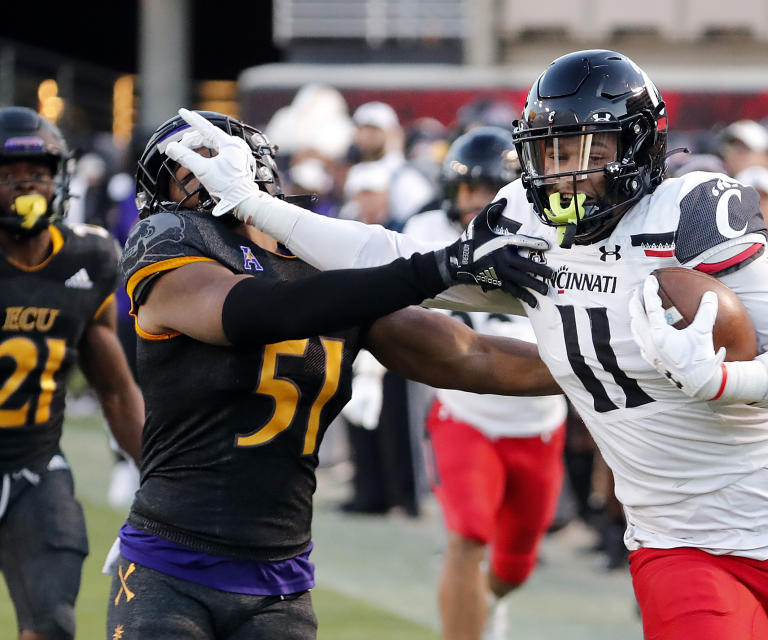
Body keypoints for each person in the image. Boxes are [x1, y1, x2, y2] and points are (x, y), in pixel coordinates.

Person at [182, 49, 768, 639]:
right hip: (675, 537)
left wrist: (721, 380)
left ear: (636, 148)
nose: (563, 171)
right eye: (551, 150)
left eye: (586, 150)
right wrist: (255, 204)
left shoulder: (688, 214)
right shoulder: (522, 224)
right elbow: (388, 255)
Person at [106, 110, 559, 640]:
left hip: (280, 580)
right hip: (171, 564)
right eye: (188, 167)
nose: (206, 176)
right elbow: (250, 311)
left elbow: (467, 354)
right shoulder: (169, 242)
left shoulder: (320, 262)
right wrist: (433, 269)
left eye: (218, 159)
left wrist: (609, 362)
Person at [403, 126, 568, 640]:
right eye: (468, 189)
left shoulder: (554, 232)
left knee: (514, 568)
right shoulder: (428, 229)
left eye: (489, 189)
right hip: (466, 414)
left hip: (540, 423)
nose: (476, 201)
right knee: (468, 533)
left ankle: (484, 602)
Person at [0, 106, 143, 640]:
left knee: (54, 624)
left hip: (35, 466)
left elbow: (114, 385)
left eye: (38, 171)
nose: (26, 183)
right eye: (9, 174)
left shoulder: (88, 257)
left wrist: (156, 476)